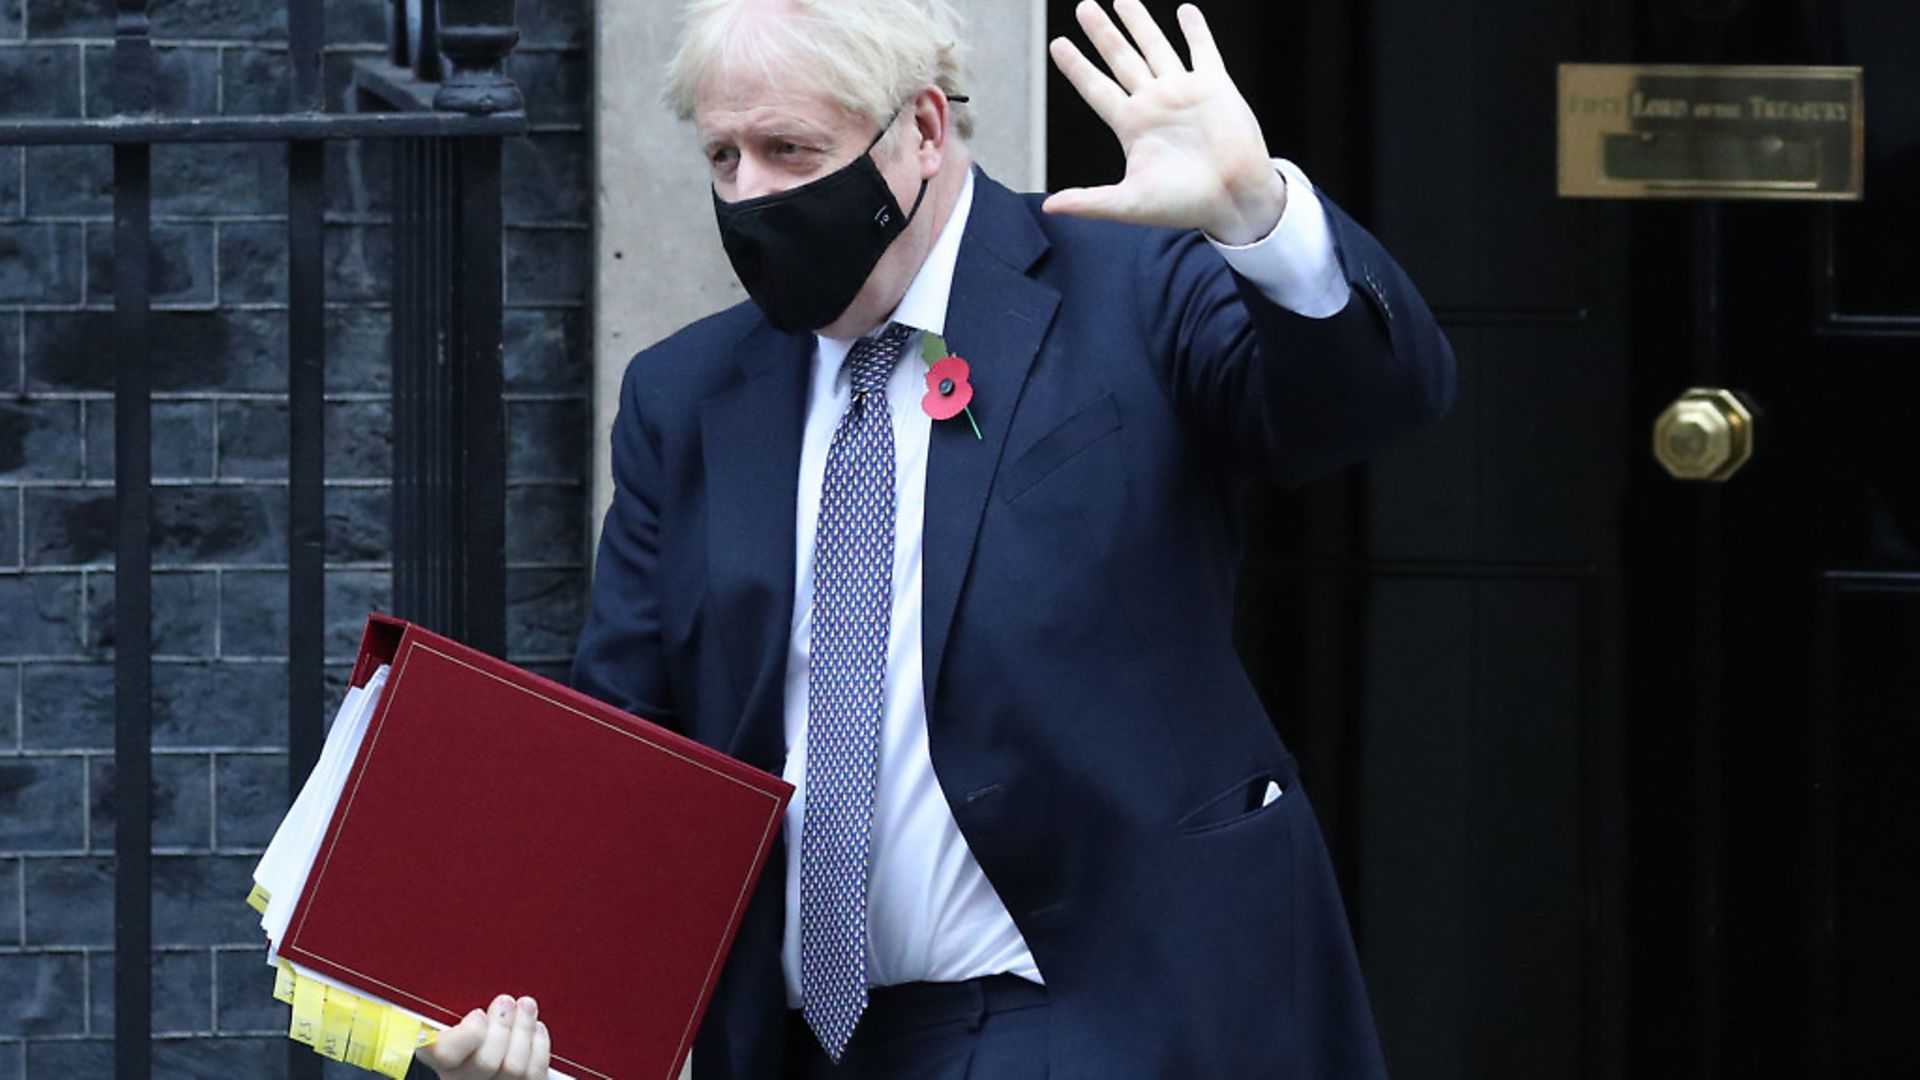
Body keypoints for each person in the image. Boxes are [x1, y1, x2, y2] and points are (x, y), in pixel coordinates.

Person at [421, 0, 1453, 1077]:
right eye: (722, 155)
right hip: (801, 1045)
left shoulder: (1125, 287)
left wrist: (1258, 216)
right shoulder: (684, 397)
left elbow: (1369, 405)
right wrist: (524, 1010)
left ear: (920, 130)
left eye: (790, 150)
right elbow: (627, 744)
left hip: (1098, 1007)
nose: (750, 194)